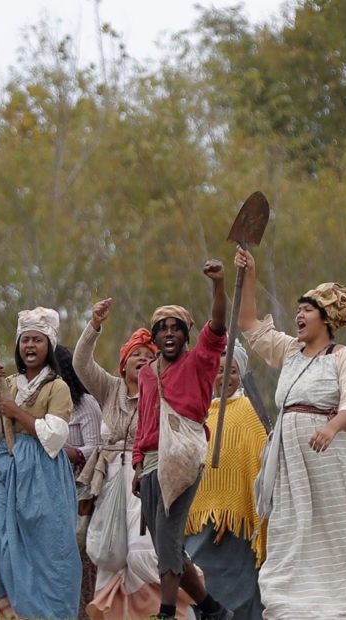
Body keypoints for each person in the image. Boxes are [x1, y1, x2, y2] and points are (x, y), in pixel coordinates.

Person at [234, 247, 346, 619]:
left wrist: (331, 427)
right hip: (293, 470)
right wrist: (249, 273)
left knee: (342, 534)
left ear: (326, 317)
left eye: (307, 309)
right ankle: (294, 608)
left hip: (333, 465)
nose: (298, 315)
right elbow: (247, 321)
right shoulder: (289, 352)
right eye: (298, 310)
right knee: (293, 539)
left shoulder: (345, 356)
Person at [74, 298, 197, 620]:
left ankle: (181, 605)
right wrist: (94, 325)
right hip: (110, 478)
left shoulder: (162, 391)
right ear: (124, 363)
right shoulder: (109, 389)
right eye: (136, 356)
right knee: (107, 553)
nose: (142, 361)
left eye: (149, 357)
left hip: (148, 474)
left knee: (144, 553)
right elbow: (81, 364)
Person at [132, 259, 235, 620]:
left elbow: (219, 325)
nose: (171, 333)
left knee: (170, 538)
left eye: (177, 328)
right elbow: (143, 421)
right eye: (163, 329)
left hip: (184, 458)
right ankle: (213, 610)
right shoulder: (146, 374)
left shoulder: (200, 361)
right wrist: (136, 464)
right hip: (151, 464)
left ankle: (165, 614)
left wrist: (218, 283)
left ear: (187, 335)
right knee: (165, 545)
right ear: (155, 336)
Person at [0, 307, 81, 619]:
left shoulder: (57, 387)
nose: (30, 346)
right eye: (25, 340)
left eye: (37, 340)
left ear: (49, 346)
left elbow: (54, 438)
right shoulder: (9, 383)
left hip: (44, 474)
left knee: (44, 555)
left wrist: (17, 412)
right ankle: (9, 608)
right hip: (7, 469)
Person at [184, 340, 268, 620]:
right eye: (218, 370)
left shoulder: (249, 414)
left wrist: (229, 509)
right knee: (197, 596)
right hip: (195, 525)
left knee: (239, 602)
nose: (224, 378)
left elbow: (259, 469)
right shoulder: (195, 413)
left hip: (235, 531)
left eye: (231, 371)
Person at [55, 344, 104, 620]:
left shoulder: (85, 405)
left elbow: (95, 450)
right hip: (54, 494)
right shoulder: (43, 408)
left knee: (83, 555)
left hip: (83, 494)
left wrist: (64, 452)